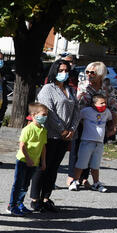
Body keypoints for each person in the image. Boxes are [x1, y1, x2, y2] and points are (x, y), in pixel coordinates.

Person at [32, 61, 79, 211]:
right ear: (54, 71)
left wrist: (71, 129)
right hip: (50, 134)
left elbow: (77, 110)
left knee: (54, 168)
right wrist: (61, 130)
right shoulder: (48, 89)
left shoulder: (69, 90)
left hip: (65, 136)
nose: (64, 73)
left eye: (66, 70)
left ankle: (46, 197)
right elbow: (48, 112)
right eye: (61, 70)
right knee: (43, 167)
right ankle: (35, 199)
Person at [9, 103, 48, 216]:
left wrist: (43, 161)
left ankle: (20, 203)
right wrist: (28, 159)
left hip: (34, 162)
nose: (45, 117)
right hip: (23, 160)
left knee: (25, 185)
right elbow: (22, 145)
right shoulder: (28, 129)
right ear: (34, 115)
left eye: (46, 115)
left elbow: (43, 147)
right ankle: (12, 205)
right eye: (43, 114)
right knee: (18, 184)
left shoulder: (43, 130)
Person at [71, 95, 112, 192]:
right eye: (101, 103)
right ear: (94, 104)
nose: (104, 104)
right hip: (87, 141)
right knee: (81, 163)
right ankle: (75, 181)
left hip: (99, 143)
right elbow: (77, 119)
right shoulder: (87, 111)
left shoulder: (107, 112)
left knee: (95, 165)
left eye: (105, 102)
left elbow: (110, 120)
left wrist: (111, 128)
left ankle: (96, 183)